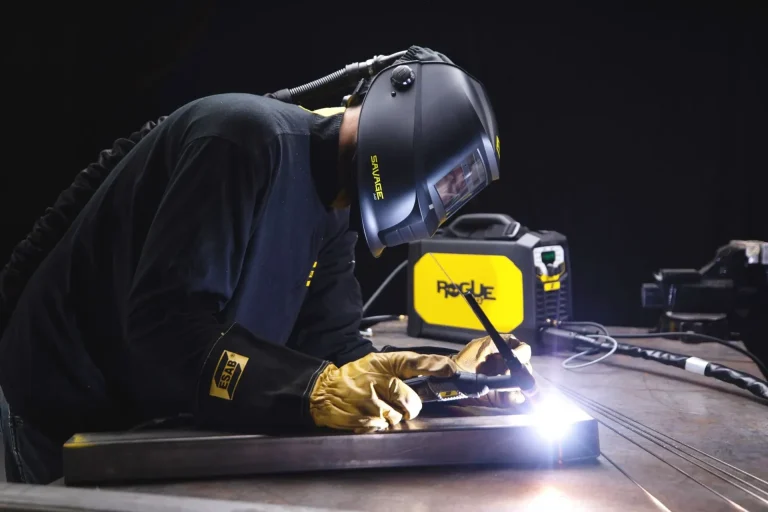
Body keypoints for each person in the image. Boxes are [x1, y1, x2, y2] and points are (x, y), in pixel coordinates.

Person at [0, 46, 534, 484]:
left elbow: (336, 353)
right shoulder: (243, 139)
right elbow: (165, 332)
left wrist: (452, 379)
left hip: (126, 441)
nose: (440, 203)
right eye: (448, 181)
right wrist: (312, 390)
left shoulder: (334, 206)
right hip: (45, 437)